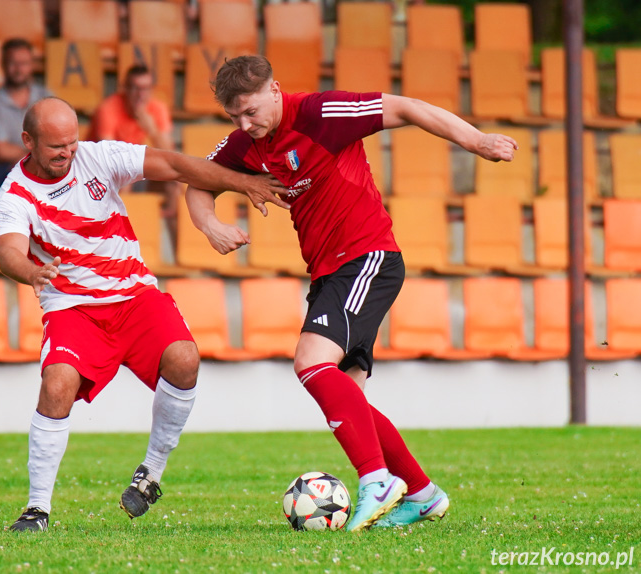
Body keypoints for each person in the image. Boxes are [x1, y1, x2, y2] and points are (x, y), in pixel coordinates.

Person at [185, 55, 518, 532]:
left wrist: (475, 140)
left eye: (251, 111)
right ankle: (422, 494)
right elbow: (197, 179)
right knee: (347, 396)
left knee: (309, 362)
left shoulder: (321, 114)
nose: (245, 124)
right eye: (234, 116)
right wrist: (210, 224)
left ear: (274, 90)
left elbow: (406, 108)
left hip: (366, 258)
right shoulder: (245, 142)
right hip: (329, 273)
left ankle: (376, 480)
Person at [0, 97, 287, 532]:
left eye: (72, 143)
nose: (67, 153)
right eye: (56, 147)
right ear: (28, 141)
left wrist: (244, 182)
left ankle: (150, 474)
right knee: (57, 385)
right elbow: (8, 252)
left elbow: (174, 165)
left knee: (185, 358)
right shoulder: (14, 194)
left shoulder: (99, 156)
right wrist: (32, 272)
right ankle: (38, 509)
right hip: (74, 307)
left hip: (133, 295)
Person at [87, 65, 181, 222]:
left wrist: (152, 130)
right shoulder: (107, 109)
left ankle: (181, 244)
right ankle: (120, 236)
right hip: (98, 173)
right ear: (125, 89)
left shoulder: (158, 108)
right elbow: (108, 157)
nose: (141, 95)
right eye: (136, 88)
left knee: (174, 182)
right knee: (125, 181)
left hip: (134, 170)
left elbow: (171, 155)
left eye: (146, 89)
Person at [0, 38, 52, 192]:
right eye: (13, 63)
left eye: (24, 63)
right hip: (2, 173)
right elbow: (1, 151)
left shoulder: (46, 97)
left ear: (32, 65)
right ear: (3, 65)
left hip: (42, 168)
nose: (19, 69)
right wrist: (39, 155)